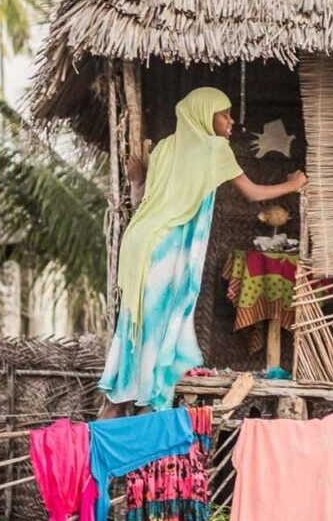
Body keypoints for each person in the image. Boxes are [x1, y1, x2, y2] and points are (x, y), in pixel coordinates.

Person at [101, 87, 307, 408]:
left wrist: (137, 179)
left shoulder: (166, 148)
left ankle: (130, 391)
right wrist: (293, 184)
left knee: (139, 318)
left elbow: (141, 201)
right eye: (223, 114)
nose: (230, 120)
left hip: (140, 239)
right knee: (160, 318)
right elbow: (252, 193)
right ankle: (152, 399)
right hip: (166, 244)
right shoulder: (215, 149)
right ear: (203, 115)